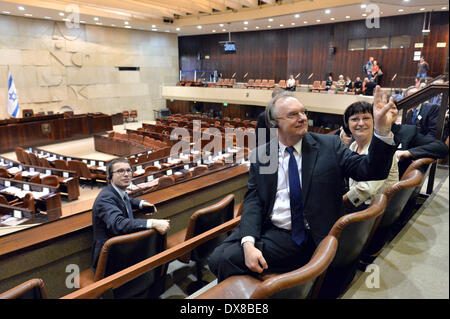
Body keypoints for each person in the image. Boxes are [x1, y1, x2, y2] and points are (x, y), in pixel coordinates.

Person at [208, 87, 398, 282]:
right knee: (216, 257)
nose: (302, 118)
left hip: (306, 234)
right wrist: (248, 243)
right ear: (274, 124)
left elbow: (371, 170)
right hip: (270, 226)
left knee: (224, 260)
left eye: (303, 112)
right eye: (293, 114)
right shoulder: (263, 154)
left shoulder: (329, 146)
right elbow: (254, 200)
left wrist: (382, 131)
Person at [91, 158, 170, 270]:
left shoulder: (118, 191)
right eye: (120, 171)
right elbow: (119, 223)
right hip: (109, 259)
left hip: (124, 249)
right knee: (157, 257)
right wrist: (152, 223)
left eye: (128, 170)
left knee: (159, 256)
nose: (126, 174)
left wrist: (140, 204)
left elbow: (126, 200)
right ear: (110, 177)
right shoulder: (105, 198)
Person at [342, 101, 398, 211]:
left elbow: (365, 190)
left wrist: (339, 202)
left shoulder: (382, 150)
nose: (361, 123)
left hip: (372, 209)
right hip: (362, 203)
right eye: (355, 119)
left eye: (366, 118)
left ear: (375, 122)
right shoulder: (353, 145)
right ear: (347, 124)